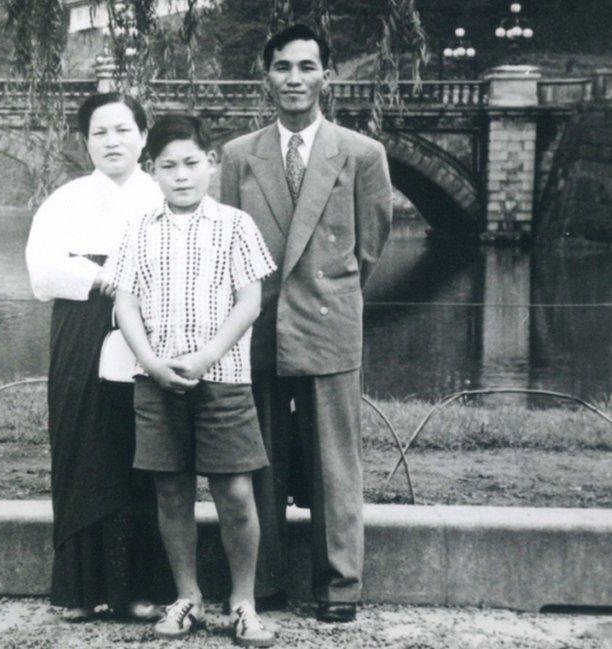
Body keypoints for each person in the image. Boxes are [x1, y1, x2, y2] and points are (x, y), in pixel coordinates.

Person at [220, 24, 393, 622]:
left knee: (334, 462)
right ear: (265, 76)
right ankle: (262, 580)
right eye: (283, 68)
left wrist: (330, 293)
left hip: (328, 323)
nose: (295, 79)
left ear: (328, 75)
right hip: (257, 325)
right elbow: (228, 248)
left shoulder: (362, 154)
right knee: (256, 455)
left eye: (307, 67)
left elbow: (369, 248)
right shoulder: (239, 156)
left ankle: (339, 586)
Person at [103, 115, 278, 647]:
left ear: (212, 163)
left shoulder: (234, 226)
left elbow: (251, 301)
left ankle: (243, 603)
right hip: (155, 380)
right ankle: (188, 598)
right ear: (151, 170)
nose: (182, 176)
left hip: (222, 378)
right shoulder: (138, 228)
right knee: (172, 490)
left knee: (234, 491)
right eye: (169, 167)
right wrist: (151, 362)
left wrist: (206, 356)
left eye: (192, 164)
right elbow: (124, 302)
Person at [25, 92, 171, 621]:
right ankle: (80, 590)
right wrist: (102, 277)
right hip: (81, 329)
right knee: (81, 446)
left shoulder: (163, 195)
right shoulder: (65, 200)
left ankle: (138, 588)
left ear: (143, 136)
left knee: (142, 454)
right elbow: (42, 274)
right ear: (85, 143)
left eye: (123, 130)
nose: (113, 141)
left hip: (151, 330)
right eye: (100, 133)